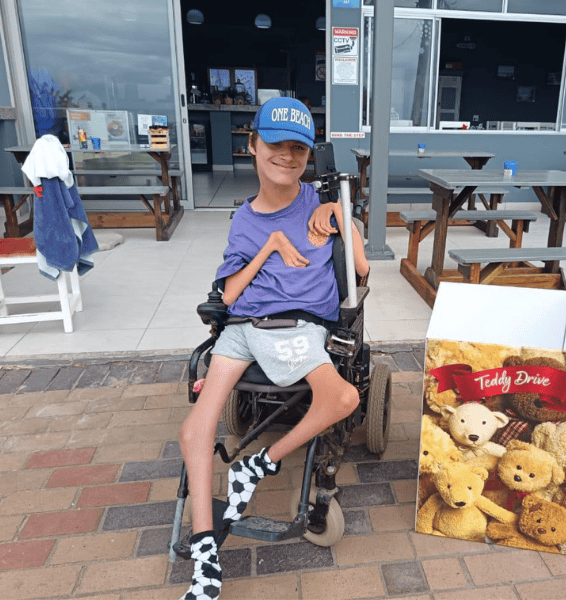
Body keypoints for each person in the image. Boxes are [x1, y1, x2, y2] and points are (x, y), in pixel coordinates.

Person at [178, 97, 369, 600]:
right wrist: (269, 245)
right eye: (274, 145)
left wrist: (343, 218)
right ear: (252, 146)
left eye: (297, 149)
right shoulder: (243, 219)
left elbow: (363, 271)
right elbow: (230, 295)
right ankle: (204, 557)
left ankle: (256, 464)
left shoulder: (322, 203)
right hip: (243, 327)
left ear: (307, 156)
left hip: (295, 329)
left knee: (345, 398)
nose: (286, 156)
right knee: (195, 427)